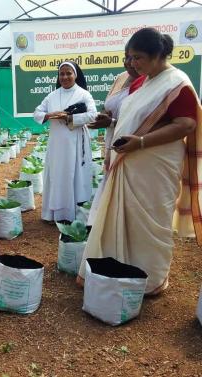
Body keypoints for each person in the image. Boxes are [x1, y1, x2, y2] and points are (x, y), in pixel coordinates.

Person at [77, 28, 201, 295]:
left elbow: (186, 124)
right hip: (131, 162)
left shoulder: (177, 83)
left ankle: (151, 279)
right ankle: (124, 271)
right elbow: (132, 120)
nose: (132, 64)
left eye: (138, 58)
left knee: (151, 222)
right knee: (129, 221)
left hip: (156, 165)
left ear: (158, 55)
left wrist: (141, 143)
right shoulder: (146, 81)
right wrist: (111, 123)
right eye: (130, 57)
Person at [33, 61, 97, 222]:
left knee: (75, 175)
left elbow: (93, 115)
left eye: (69, 73)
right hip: (56, 143)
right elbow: (37, 113)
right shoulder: (52, 95)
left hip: (76, 141)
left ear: (75, 75)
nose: (65, 77)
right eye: (62, 74)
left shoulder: (84, 94)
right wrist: (49, 115)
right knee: (57, 175)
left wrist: (69, 117)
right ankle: (55, 213)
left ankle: (74, 214)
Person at [86, 48, 141, 224]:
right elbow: (109, 107)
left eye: (134, 58)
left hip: (131, 143)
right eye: (126, 58)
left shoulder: (147, 83)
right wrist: (105, 117)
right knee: (111, 181)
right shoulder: (120, 78)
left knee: (127, 186)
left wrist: (111, 122)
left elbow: (140, 121)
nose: (128, 62)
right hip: (112, 139)